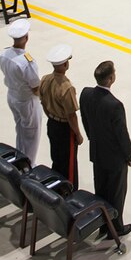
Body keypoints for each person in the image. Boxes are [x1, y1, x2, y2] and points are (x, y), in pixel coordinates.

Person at [79, 60, 131, 239]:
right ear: (111, 78)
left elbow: (86, 121)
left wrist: (92, 138)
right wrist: (129, 156)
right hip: (114, 158)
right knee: (117, 193)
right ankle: (116, 227)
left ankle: (102, 223)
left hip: (97, 152)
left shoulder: (86, 94)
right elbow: (121, 134)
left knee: (101, 189)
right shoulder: (114, 105)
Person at [39, 44, 83, 189]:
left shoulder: (45, 79)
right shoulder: (66, 87)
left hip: (52, 124)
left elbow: (43, 103)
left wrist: (51, 116)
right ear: (65, 64)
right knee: (69, 165)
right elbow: (71, 116)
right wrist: (78, 134)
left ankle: (56, 187)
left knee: (56, 159)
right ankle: (68, 192)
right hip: (65, 128)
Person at [0, 19, 42, 165]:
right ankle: (27, 166)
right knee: (31, 135)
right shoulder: (26, 61)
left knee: (20, 130)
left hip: (12, 96)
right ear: (26, 38)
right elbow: (36, 87)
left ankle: (19, 158)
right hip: (26, 101)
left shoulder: (4, 54)